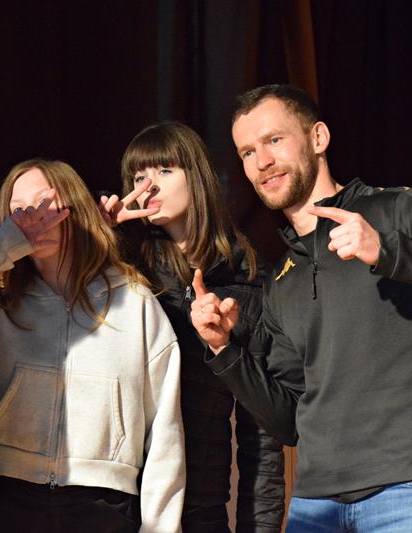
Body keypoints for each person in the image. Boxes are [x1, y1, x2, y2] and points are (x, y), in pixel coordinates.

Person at [190, 84, 412, 532]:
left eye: (274, 140)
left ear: (318, 138)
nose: (261, 162)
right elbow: (289, 421)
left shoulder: (397, 209)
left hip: (410, 489)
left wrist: (389, 252)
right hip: (314, 505)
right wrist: (224, 351)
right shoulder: (282, 280)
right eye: (247, 152)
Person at [0, 159, 185, 533]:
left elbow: (166, 433)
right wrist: (5, 245)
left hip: (104, 504)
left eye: (44, 202)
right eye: (18, 210)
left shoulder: (134, 302)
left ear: (75, 206)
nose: (32, 216)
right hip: (9, 496)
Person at [96, 122, 285, 532]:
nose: (149, 186)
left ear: (196, 177)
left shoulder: (249, 281)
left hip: (200, 503)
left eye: (164, 171)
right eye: (138, 177)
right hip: (118, 500)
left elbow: (261, 439)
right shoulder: (124, 268)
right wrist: (97, 236)